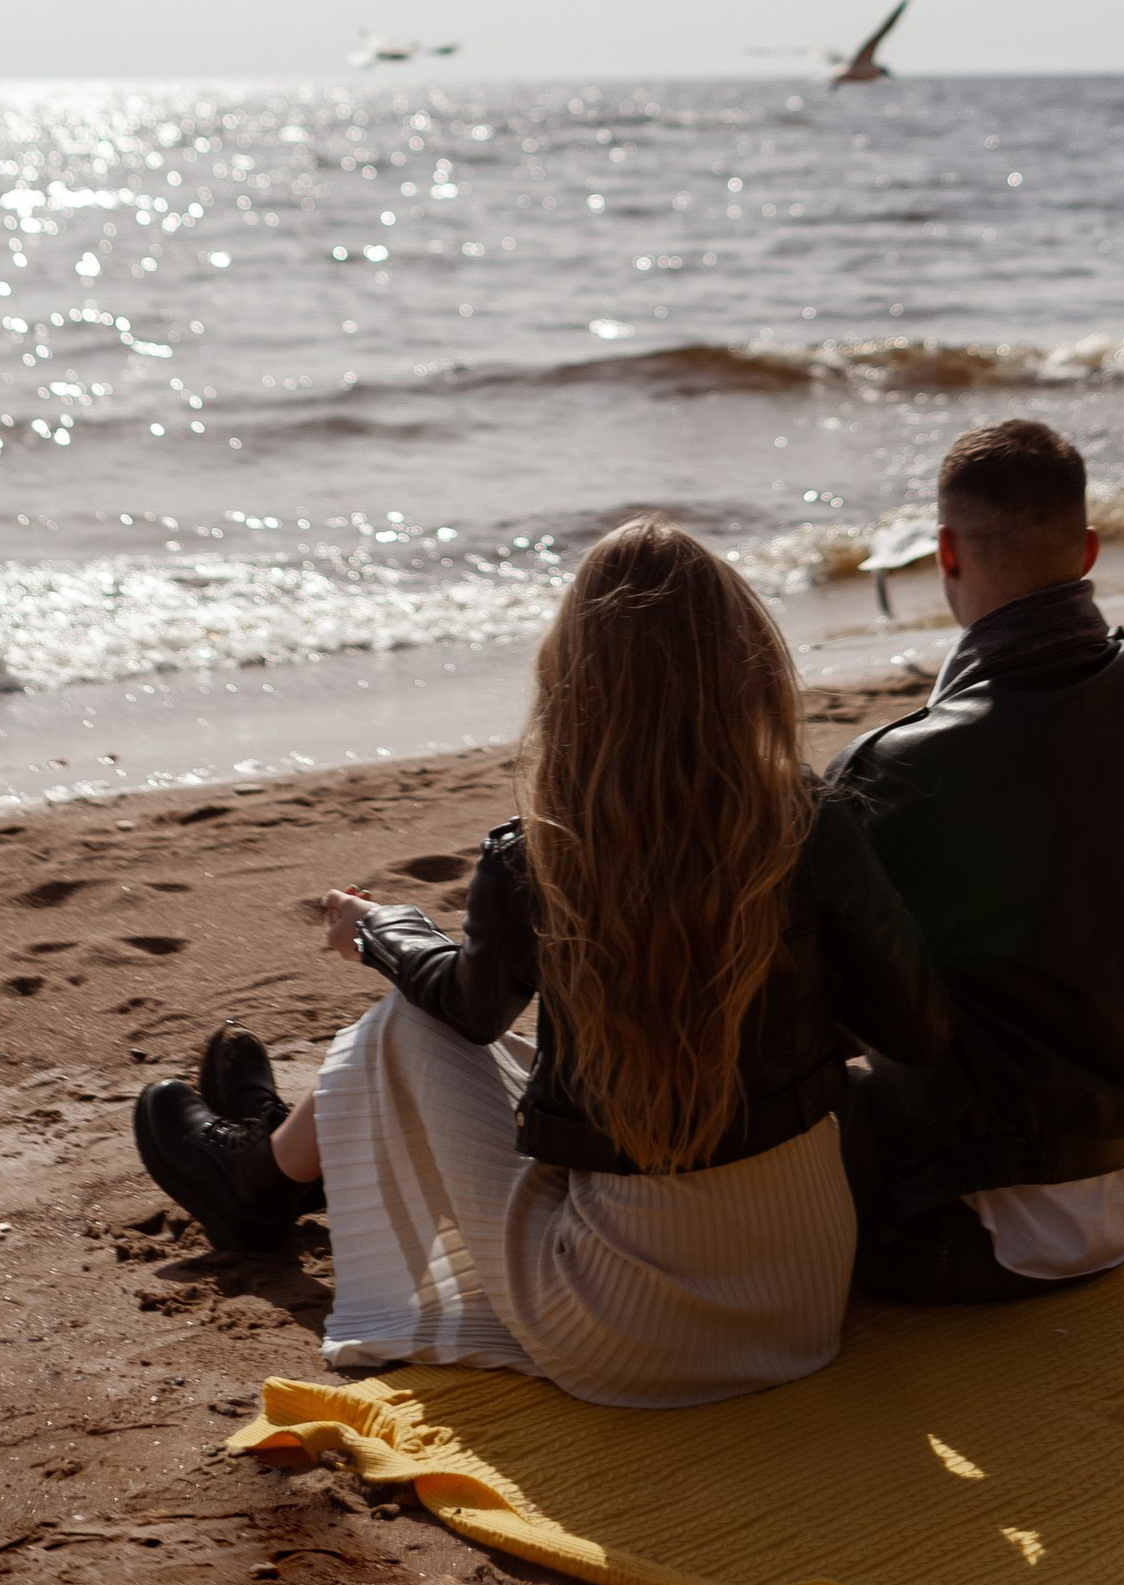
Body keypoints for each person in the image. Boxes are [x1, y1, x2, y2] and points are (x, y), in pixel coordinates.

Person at [133, 517, 952, 1407]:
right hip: (802, 1301)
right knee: (465, 1041)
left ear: (577, 681)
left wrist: (378, 930)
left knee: (402, 1026)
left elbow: (467, 1012)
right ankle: (265, 1161)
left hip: (620, 1331)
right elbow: (915, 1027)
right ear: (744, 662)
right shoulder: (808, 821)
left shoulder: (544, 855)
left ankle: (255, 1179)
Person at [830, 417, 1124, 1305]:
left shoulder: (901, 768)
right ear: (1089, 548)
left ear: (944, 550)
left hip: (986, 1225)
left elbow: (815, 1002)